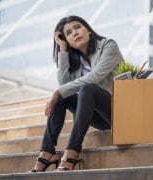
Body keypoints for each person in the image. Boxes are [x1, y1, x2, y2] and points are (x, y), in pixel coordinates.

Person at [31, 15, 123, 172]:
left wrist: (59, 91)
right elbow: (65, 86)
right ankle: (47, 152)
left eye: (78, 27)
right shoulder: (77, 62)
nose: (75, 33)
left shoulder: (108, 45)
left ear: (88, 30)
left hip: (120, 112)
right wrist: (63, 49)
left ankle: (73, 151)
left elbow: (95, 77)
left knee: (87, 88)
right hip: (100, 118)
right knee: (63, 97)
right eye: (68, 33)